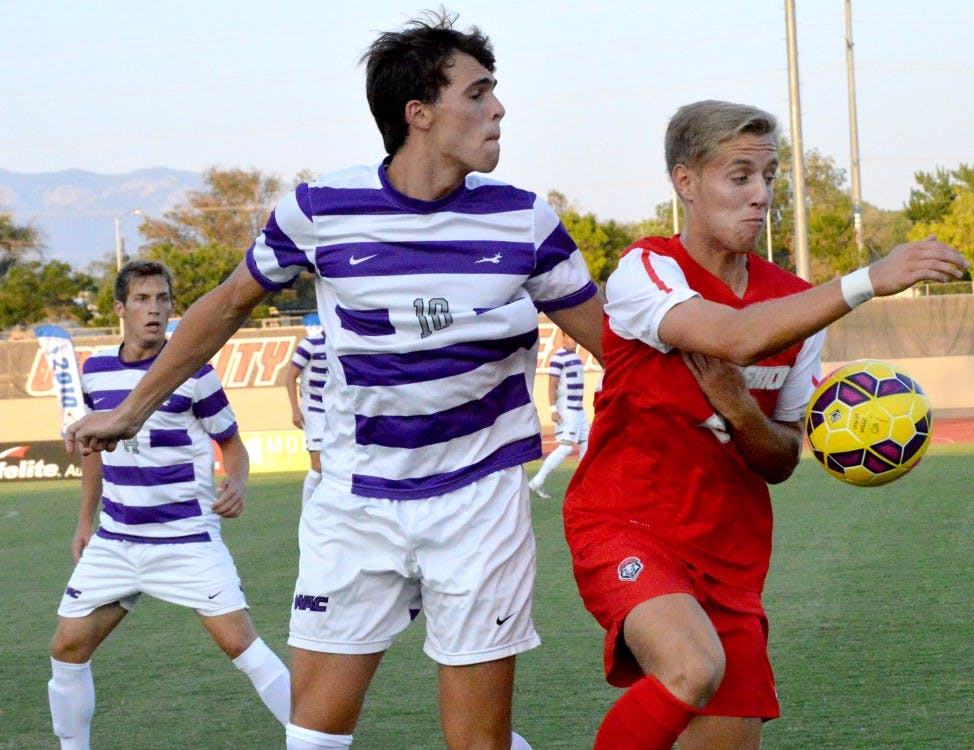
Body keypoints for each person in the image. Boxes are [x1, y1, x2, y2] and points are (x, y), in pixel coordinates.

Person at [65, 12, 603, 750]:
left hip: (480, 506)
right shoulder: (321, 210)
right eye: (477, 94)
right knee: (313, 739)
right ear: (419, 114)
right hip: (354, 503)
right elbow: (225, 305)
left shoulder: (525, 222)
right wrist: (133, 407)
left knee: (477, 743)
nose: (498, 109)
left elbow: (616, 346)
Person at [562, 100, 968, 750]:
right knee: (691, 666)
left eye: (770, 176)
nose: (761, 196)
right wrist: (869, 278)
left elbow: (780, 459)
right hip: (627, 524)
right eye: (740, 175)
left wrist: (740, 410)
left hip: (731, 553)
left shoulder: (790, 302)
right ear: (686, 182)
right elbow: (733, 337)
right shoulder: (647, 270)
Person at [48, 260, 290, 749]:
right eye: (141, 299)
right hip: (116, 540)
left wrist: (238, 483)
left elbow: (234, 446)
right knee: (67, 647)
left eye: (162, 299)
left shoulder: (195, 373)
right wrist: (84, 521)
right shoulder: (95, 370)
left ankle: (315, 738)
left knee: (241, 646)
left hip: (186, 539)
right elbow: (95, 450)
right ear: (120, 309)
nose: (154, 309)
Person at [528, 330, 590, 499]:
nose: (574, 341)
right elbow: (551, 384)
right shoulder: (558, 358)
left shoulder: (576, 358)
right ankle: (537, 481)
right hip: (567, 409)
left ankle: (584, 485)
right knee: (566, 447)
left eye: (575, 337)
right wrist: (553, 409)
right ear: (562, 337)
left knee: (587, 444)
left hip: (579, 409)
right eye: (571, 337)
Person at [285, 318, 327, 505]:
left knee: (336, 466)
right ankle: (307, 512)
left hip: (335, 412)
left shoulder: (341, 343)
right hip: (314, 410)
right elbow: (290, 377)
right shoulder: (310, 344)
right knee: (318, 465)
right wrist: (295, 409)